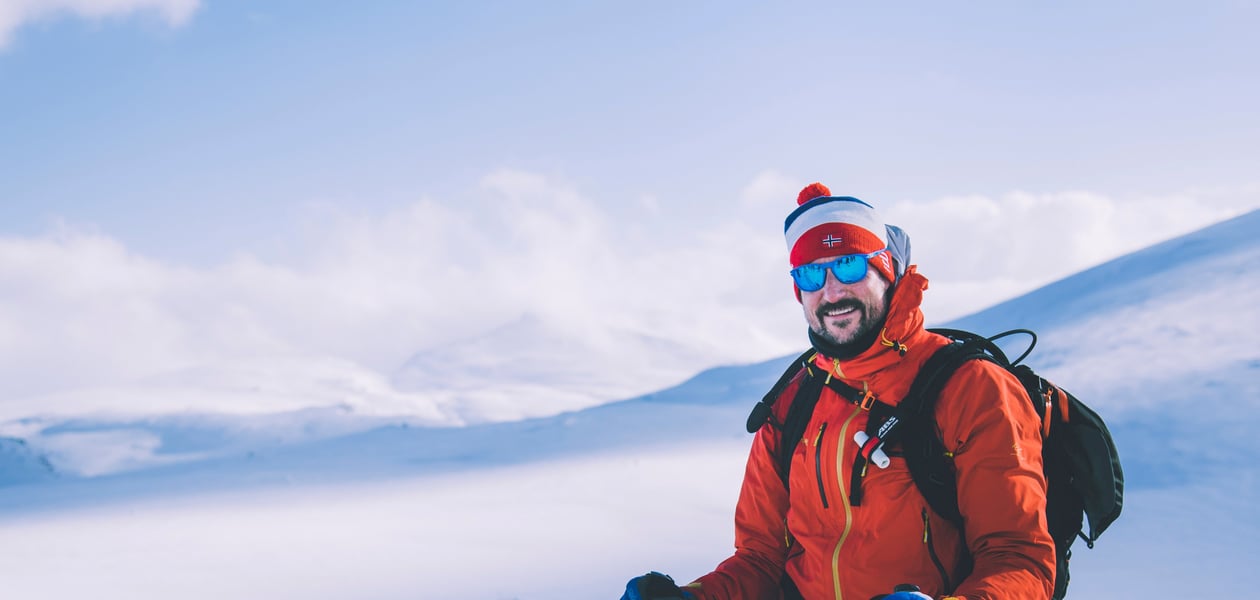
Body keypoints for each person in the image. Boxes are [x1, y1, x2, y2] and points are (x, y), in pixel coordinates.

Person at [622, 184, 1055, 600]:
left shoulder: (974, 389)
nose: (832, 290)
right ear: (799, 292)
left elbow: (1019, 559)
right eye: (811, 274)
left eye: (849, 265)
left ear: (886, 271)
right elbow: (760, 561)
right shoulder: (792, 403)